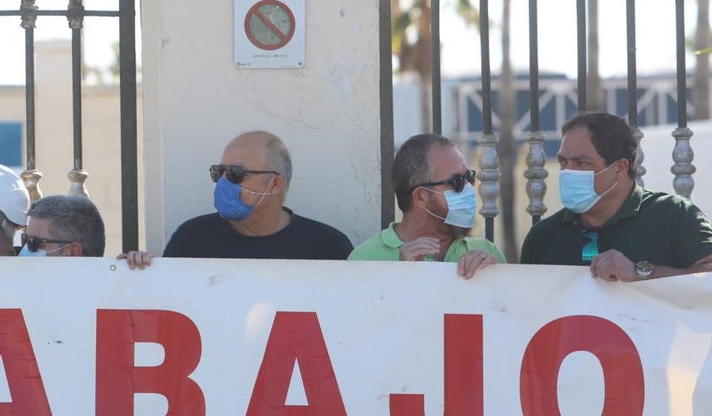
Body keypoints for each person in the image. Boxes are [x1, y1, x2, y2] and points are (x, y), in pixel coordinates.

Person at [520, 111, 712, 281]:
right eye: (563, 162)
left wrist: (640, 273)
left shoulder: (675, 215)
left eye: (581, 163)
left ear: (620, 169)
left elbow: (708, 276)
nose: (568, 172)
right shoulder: (543, 236)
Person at [161, 130, 353, 259]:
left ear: (275, 184)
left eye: (236, 174)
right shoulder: (192, 240)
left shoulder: (327, 246)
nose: (223, 183)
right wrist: (141, 268)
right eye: (219, 172)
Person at [348, 133, 503, 278]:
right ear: (421, 197)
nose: (468, 189)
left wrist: (494, 278)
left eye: (469, 177)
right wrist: (399, 277)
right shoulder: (365, 259)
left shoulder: (487, 252)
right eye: (456, 182)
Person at [20, 194, 106, 257]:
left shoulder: (114, 281)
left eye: (35, 243)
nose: (25, 250)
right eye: (25, 240)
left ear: (73, 252)